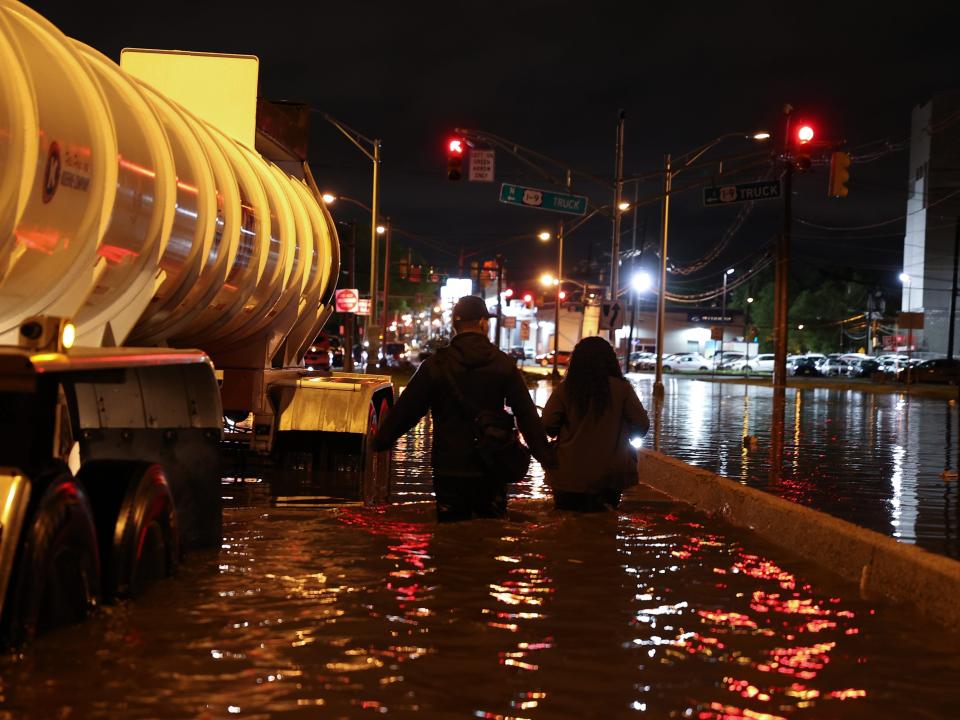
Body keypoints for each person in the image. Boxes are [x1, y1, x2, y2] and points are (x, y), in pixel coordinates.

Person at [373, 295, 552, 521]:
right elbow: (526, 415)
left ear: (455, 326)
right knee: (489, 537)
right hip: (491, 465)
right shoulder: (503, 363)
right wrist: (546, 458)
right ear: (482, 323)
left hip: (449, 469)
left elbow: (408, 411)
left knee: (450, 538)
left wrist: (381, 441)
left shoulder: (435, 365)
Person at [541, 336, 649, 512]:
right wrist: (621, 432)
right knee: (605, 529)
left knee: (568, 530)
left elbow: (547, 425)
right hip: (611, 477)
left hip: (569, 476)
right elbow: (641, 426)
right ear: (610, 361)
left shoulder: (566, 389)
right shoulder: (622, 389)